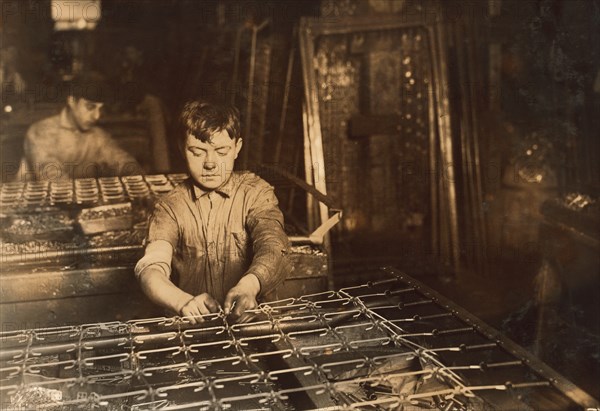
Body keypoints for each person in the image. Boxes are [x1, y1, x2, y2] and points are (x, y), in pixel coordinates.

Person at [135, 100, 291, 324]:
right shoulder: (170, 206)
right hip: (192, 328)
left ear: (237, 148)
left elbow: (273, 245)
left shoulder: (256, 193)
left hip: (250, 322)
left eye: (221, 151)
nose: (210, 163)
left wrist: (248, 286)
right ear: (182, 148)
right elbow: (151, 268)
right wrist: (182, 302)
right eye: (198, 152)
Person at [17, 75, 143, 181]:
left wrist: (139, 181)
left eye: (100, 108)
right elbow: (54, 179)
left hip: (76, 204)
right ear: (71, 101)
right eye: (90, 107)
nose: (97, 116)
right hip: (34, 205)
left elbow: (123, 162)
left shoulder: (98, 136)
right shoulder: (41, 131)